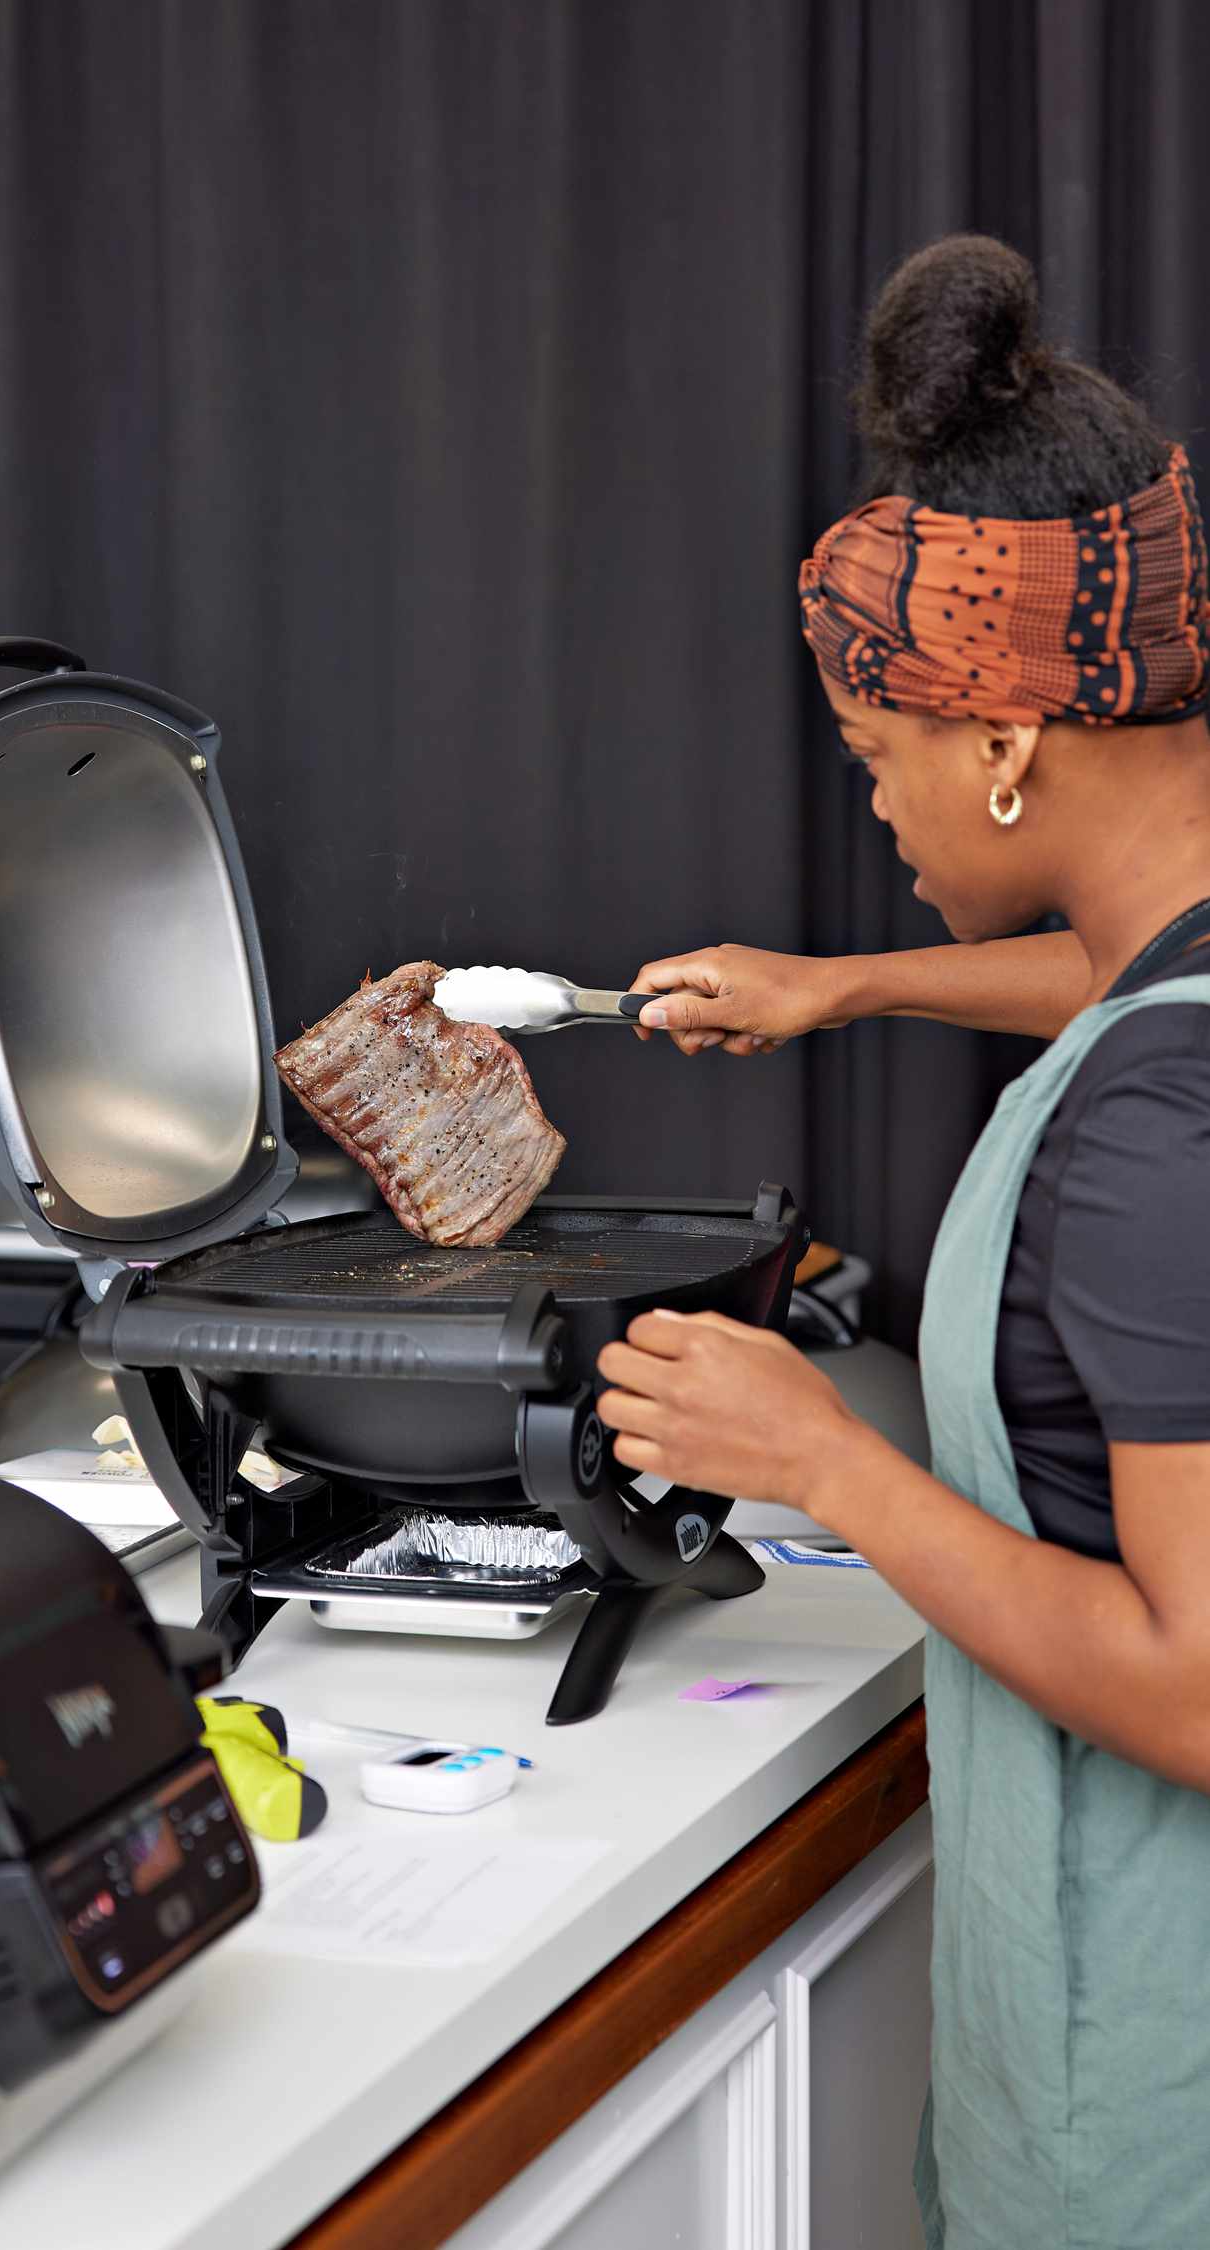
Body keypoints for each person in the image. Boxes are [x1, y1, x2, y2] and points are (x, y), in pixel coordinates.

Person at [596, 234, 1210, 2250]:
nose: (881, 812)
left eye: (882, 764)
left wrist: (819, 1465)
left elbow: (1201, 1691)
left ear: (1012, 746)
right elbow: (1124, 981)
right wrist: (843, 988)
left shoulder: (1151, 1145)